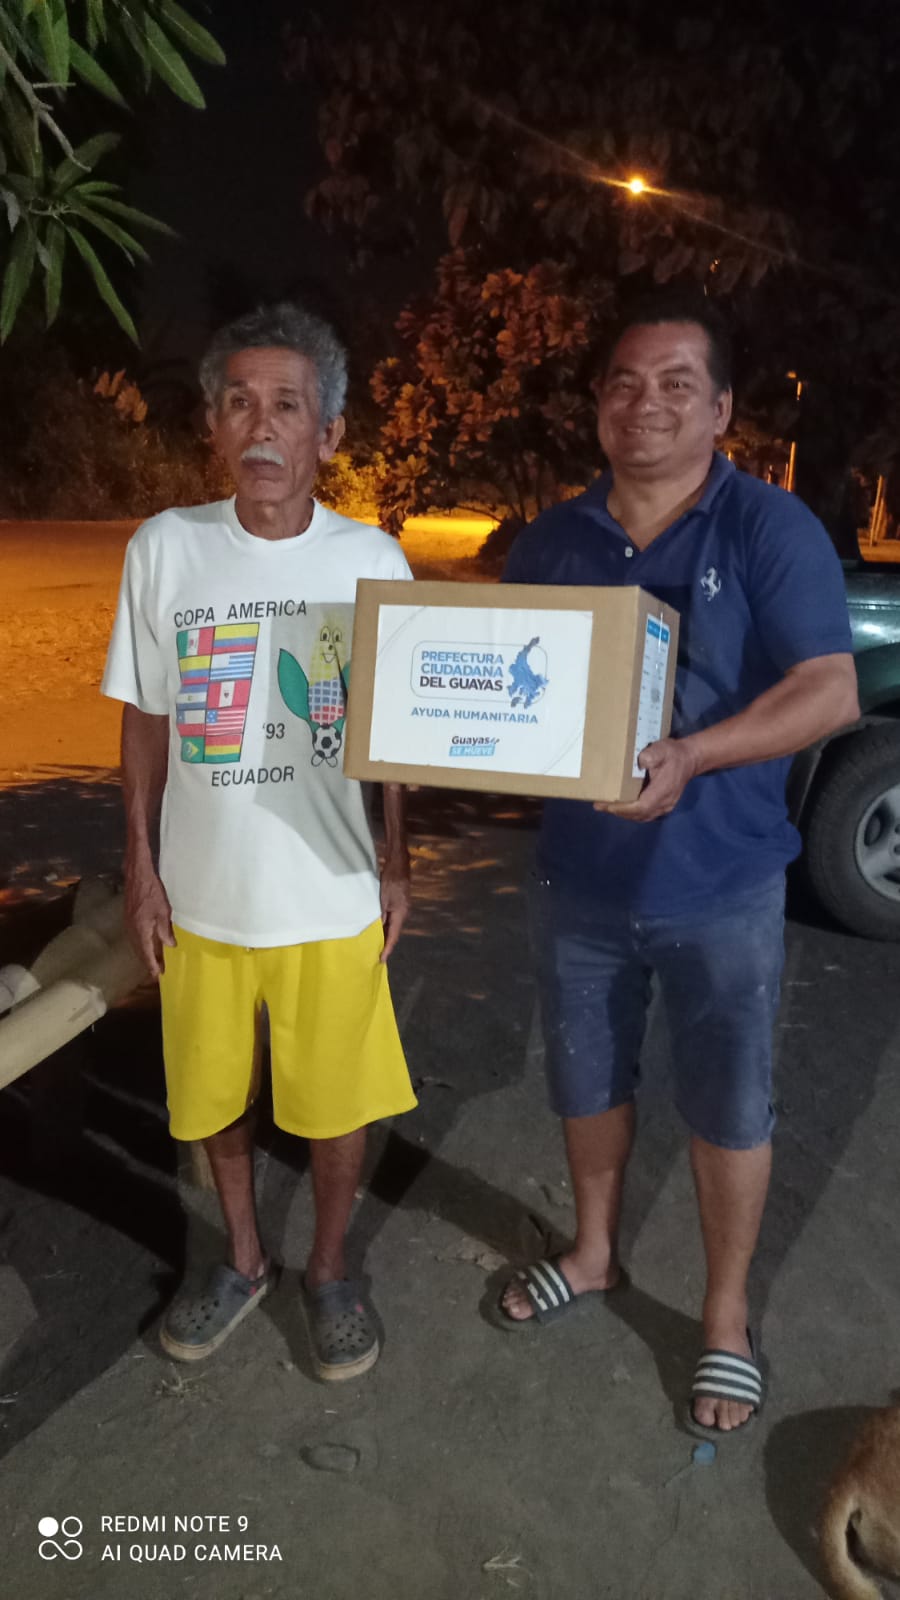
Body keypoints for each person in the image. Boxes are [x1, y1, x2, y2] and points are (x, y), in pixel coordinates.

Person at [497, 288, 859, 1435]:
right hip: (579, 880)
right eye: (623, 381)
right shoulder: (553, 540)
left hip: (722, 886)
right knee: (587, 1080)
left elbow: (830, 690)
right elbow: (502, 686)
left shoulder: (768, 527)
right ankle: (593, 1252)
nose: (644, 402)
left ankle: (724, 1317)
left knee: (729, 1104)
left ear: (721, 410)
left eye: (675, 383)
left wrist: (694, 754)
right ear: (598, 404)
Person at [102, 302, 417, 1381]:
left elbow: (396, 729)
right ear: (213, 425)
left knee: (335, 1107)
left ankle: (328, 1269)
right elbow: (145, 716)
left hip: (332, 893)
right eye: (240, 402)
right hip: (203, 899)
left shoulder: (372, 559)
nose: (262, 425)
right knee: (212, 1097)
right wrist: (141, 868)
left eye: (288, 404)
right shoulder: (166, 548)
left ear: (330, 432)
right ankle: (241, 1258)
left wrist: (396, 860)